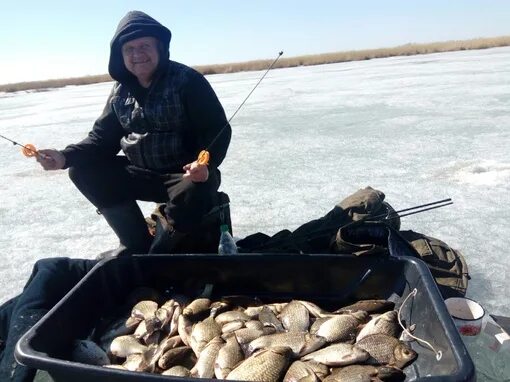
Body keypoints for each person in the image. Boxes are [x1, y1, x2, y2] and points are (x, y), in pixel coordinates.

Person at [36, 10, 231, 255]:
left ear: (159, 48)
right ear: (120, 55)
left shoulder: (188, 81)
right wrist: (64, 157)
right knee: (83, 171)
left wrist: (205, 162)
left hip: (185, 175)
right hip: (140, 173)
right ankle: (135, 242)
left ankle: (160, 251)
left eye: (144, 46)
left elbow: (216, 129)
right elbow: (101, 140)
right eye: (129, 49)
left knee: (194, 188)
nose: (137, 54)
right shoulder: (120, 91)